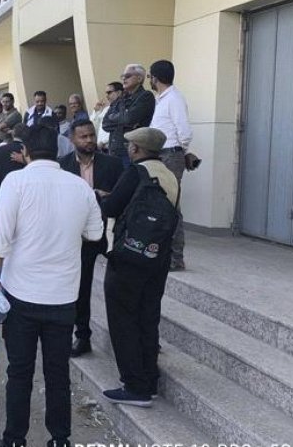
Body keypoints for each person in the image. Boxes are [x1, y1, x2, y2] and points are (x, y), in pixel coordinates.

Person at [0, 125, 103, 447]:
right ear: (60, 150)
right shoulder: (80, 187)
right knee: (57, 374)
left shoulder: (16, 182)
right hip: (64, 299)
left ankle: (14, 439)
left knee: (19, 373)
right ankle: (60, 439)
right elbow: (95, 234)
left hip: (21, 297)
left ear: (24, 151)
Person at [100, 127, 179, 407]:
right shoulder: (169, 175)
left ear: (136, 149)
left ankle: (134, 386)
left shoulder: (136, 172)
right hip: (157, 259)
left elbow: (111, 208)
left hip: (128, 258)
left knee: (123, 320)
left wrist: (103, 197)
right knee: (147, 318)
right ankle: (149, 380)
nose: (129, 149)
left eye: (131, 145)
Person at [58, 119, 123, 357]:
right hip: (77, 238)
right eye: (83, 137)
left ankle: (125, 337)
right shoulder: (62, 166)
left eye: (92, 135)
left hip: (107, 234)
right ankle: (82, 335)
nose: (89, 141)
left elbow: (122, 197)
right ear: (72, 140)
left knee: (118, 288)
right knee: (81, 287)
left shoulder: (113, 164)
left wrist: (104, 198)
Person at [148, 59, 193, 272]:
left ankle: (176, 258)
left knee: (171, 206)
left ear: (155, 78)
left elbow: (184, 131)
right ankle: (166, 254)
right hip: (163, 155)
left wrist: (179, 151)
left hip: (170, 155)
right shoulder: (162, 99)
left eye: (150, 76)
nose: (149, 79)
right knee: (162, 204)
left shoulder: (173, 98)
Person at [103, 63, 156, 167]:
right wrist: (123, 118)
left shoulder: (145, 96)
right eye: (122, 76)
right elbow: (105, 124)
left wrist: (115, 117)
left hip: (131, 152)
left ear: (140, 78)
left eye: (127, 76)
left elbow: (129, 119)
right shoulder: (122, 98)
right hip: (114, 151)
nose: (124, 79)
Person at [90, 83, 123, 152]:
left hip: (117, 149)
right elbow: (92, 126)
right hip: (104, 150)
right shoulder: (106, 109)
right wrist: (96, 111)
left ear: (119, 92)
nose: (107, 96)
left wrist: (103, 142)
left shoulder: (123, 107)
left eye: (109, 93)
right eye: (106, 93)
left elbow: (118, 128)